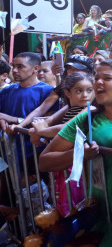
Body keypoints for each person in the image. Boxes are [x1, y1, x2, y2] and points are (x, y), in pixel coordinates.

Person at [39, 60, 112, 246]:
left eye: (107, 78)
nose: (98, 82)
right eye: (96, 78)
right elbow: (45, 161)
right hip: (96, 212)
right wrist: (79, 154)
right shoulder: (87, 117)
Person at [29, 72, 94, 215]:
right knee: (61, 196)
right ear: (67, 93)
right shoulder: (70, 108)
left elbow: (66, 128)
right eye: (79, 91)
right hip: (64, 161)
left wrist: (42, 131)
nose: (85, 95)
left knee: (74, 199)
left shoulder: (90, 109)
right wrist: (39, 131)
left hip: (76, 164)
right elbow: (49, 123)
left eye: (90, 90)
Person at [0, 53, 54, 137]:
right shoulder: (6, 91)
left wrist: (14, 120)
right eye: (13, 66)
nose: (14, 70)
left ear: (35, 68)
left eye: (20, 67)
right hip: (8, 146)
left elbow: (48, 122)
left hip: (35, 147)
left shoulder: (48, 92)